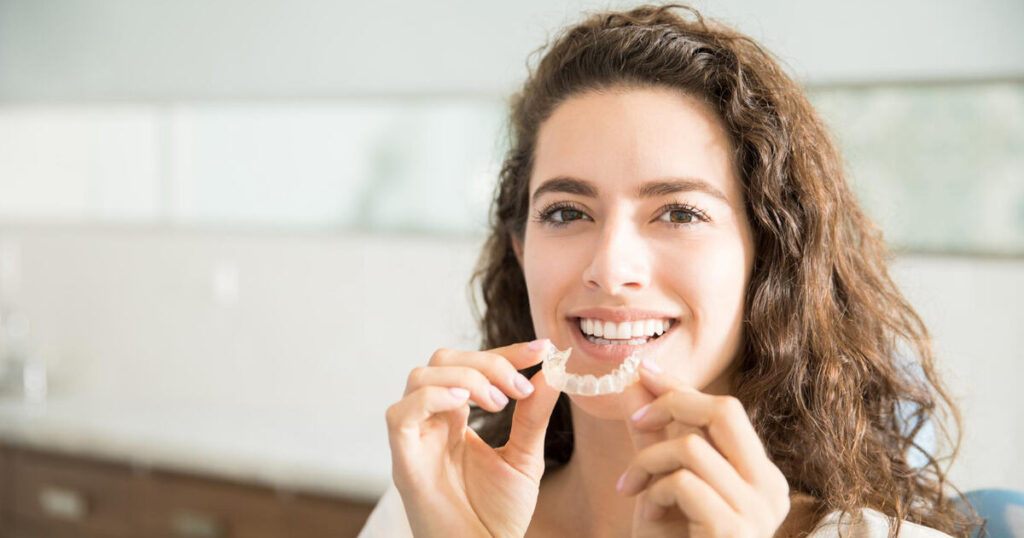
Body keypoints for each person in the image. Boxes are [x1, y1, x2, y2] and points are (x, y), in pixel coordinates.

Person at [360, 4, 983, 537]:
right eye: (567, 212)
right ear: (521, 250)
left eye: (680, 213)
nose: (611, 269)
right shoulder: (426, 508)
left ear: (769, 257)